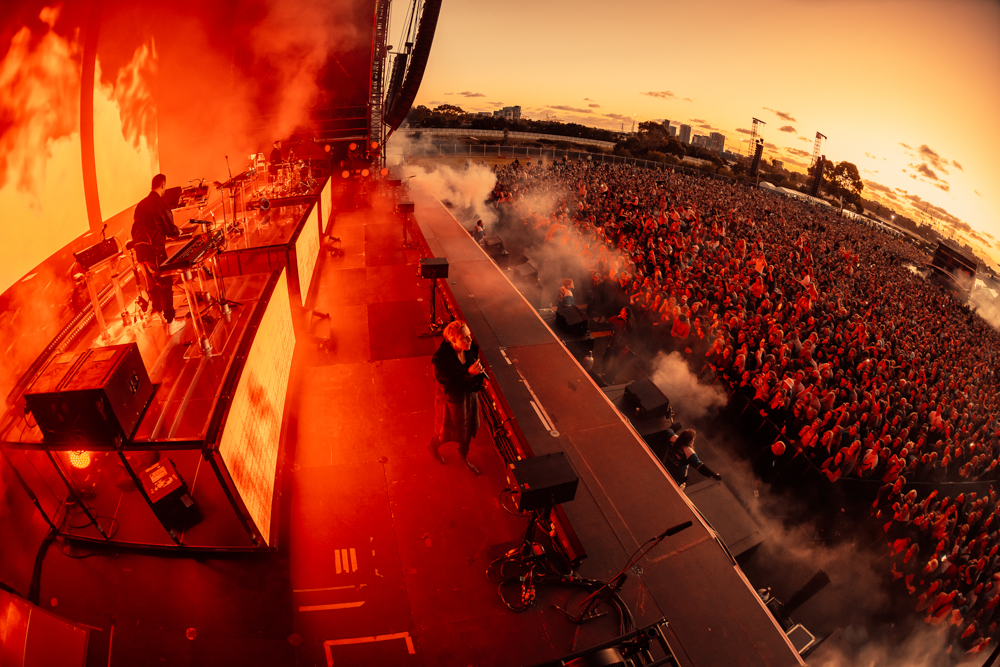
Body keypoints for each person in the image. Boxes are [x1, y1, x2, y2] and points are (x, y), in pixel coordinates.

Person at [428, 320, 486, 475]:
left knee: (468, 429)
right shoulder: (440, 361)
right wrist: (469, 375)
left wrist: (476, 376)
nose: (470, 340)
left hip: (469, 398)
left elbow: (477, 371)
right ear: (452, 340)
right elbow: (450, 390)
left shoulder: (470, 349)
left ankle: (463, 456)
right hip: (451, 403)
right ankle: (433, 446)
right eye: (465, 338)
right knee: (445, 432)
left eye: (469, 336)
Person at [131, 173, 184, 335]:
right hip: (155, 252)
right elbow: (170, 230)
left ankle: (161, 315)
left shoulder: (140, 205)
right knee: (165, 285)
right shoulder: (161, 203)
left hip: (140, 253)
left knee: (151, 285)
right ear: (162, 186)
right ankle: (170, 323)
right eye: (164, 188)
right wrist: (178, 232)